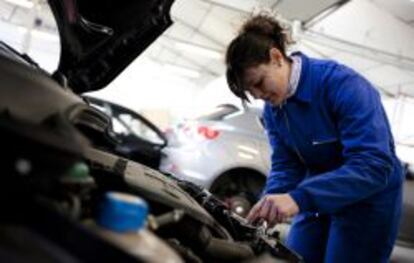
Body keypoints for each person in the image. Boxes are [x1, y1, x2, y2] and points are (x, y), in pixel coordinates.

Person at [225, 14, 403, 263]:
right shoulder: (274, 108)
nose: (258, 95)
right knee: (294, 256)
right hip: (317, 193)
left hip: (368, 198)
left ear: (276, 57)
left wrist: (300, 198)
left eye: (259, 83)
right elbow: (287, 163)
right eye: (250, 91)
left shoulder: (343, 85)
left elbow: (373, 164)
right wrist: (271, 200)